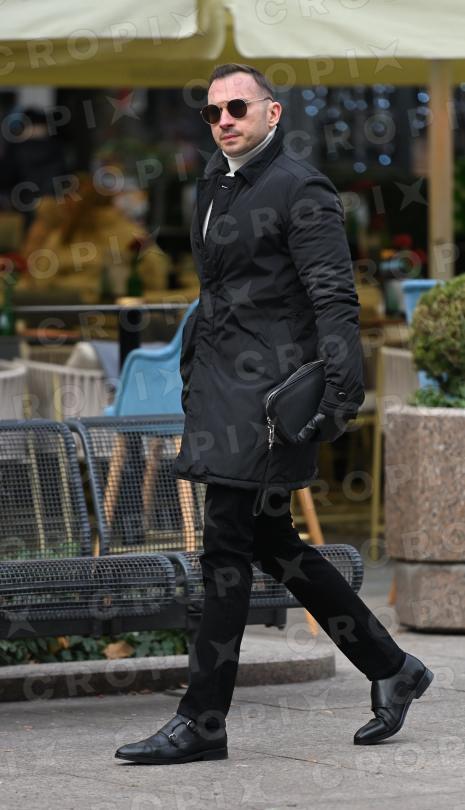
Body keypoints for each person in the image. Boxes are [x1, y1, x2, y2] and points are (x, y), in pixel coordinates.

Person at [115, 63, 434, 766]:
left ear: (273, 113)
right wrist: (194, 371)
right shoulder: (213, 183)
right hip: (220, 388)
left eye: (238, 107)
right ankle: (392, 667)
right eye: (212, 112)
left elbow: (333, 295)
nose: (224, 120)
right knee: (271, 540)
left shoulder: (301, 188)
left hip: (267, 399)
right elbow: (217, 292)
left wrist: (341, 392)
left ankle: (202, 720)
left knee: (225, 546)